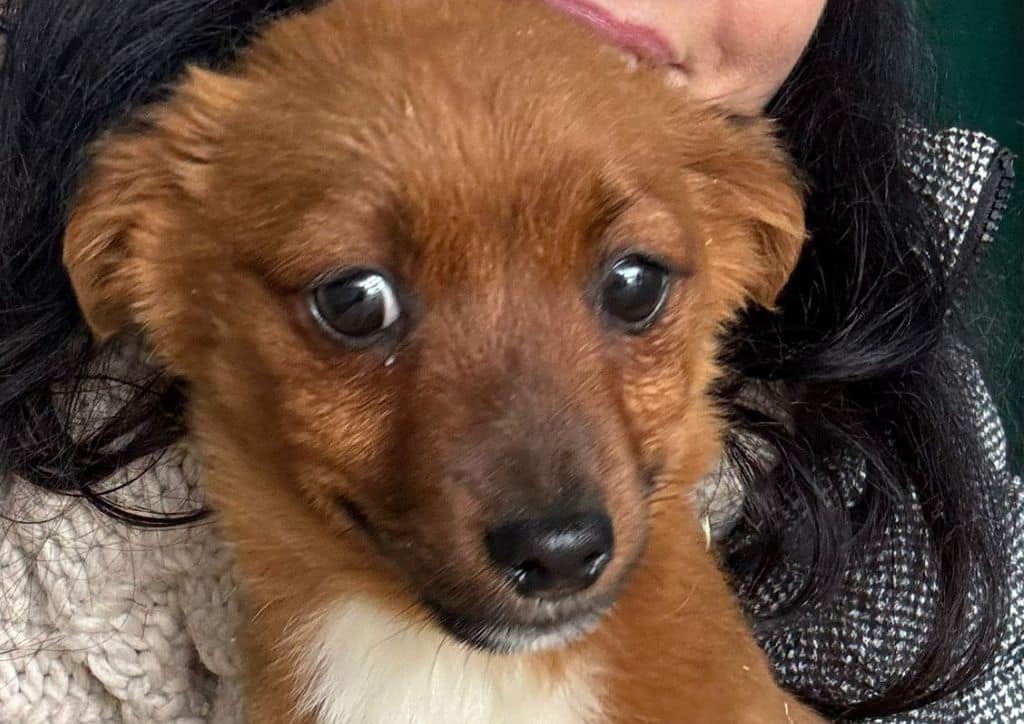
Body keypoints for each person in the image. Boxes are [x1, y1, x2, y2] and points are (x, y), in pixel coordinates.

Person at [0, 0, 1018, 721]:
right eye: (356, 305)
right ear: (151, 262)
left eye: (633, 286)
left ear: (741, 248)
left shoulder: (917, 445)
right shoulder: (39, 553)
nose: (553, 520)